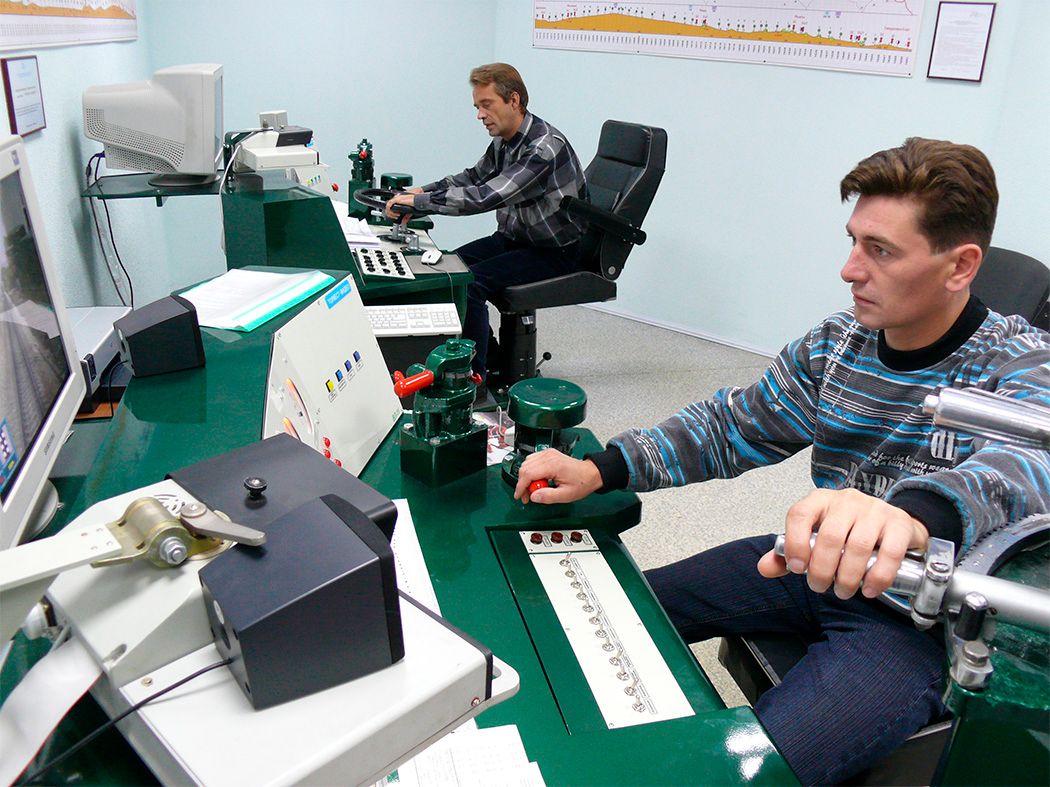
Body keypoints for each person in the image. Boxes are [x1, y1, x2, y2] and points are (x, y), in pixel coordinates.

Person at [513, 138, 1050, 785]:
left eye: (880, 251)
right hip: (812, 566)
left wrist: (910, 515)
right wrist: (606, 466)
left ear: (960, 265)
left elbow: (1022, 468)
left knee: (742, 771)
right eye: (854, 240)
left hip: (919, 626)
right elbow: (732, 422)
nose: (850, 269)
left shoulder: (1020, 361)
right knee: (599, 614)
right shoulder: (840, 341)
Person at [385, 63, 587, 385]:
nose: (480, 114)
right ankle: (491, 358)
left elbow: (484, 197)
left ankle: (474, 380)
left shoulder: (543, 148)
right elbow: (473, 177)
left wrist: (421, 205)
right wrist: (421, 191)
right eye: (477, 106)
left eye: (486, 104)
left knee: (472, 282)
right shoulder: (505, 140)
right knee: (447, 270)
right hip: (515, 238)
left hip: (554, 251)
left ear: (514, 101)